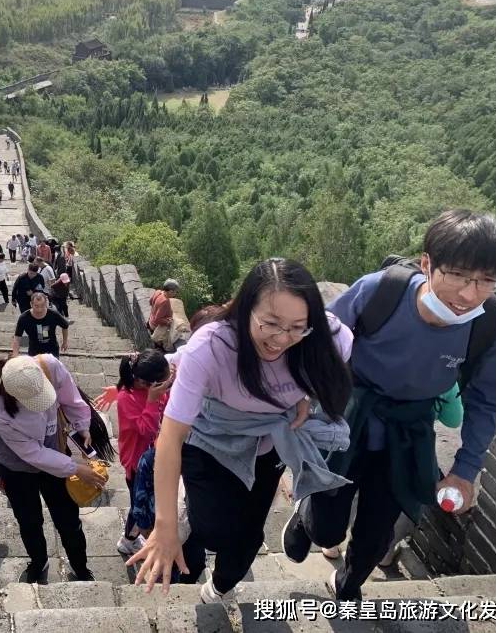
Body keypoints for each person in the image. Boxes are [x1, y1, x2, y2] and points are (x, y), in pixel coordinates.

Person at [281, 209, 496, 602]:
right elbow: (320, 346)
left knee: (377, 534)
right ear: (428, 264)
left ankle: (349, 583)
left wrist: (465, 469)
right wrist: (303, 396)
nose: (470, 294)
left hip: (407, 431)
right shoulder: (380, 292)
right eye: (457, 275)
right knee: (327, 528)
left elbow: (488, 401)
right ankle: (307, 522)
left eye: (487, 281)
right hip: (348, 416)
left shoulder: (492, 326)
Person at [130, 258, 353, 604]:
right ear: (247, 307)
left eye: (297, 327)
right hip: (210, 438)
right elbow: (170, 437)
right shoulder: (212, 348)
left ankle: (219, 587)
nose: (282, 339)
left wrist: (307, 396)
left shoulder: (330, 338)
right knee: (213, 530)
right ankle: (194, 500)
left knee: (248, 536)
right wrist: (166, 525)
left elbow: (329, 368)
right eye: (271, 324)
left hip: (268, 444)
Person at [0, 355, 109, 583]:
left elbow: (72, 399)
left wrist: (82, 426)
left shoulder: (48, 366)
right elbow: (33, 454)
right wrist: (76, 468)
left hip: (56, 452)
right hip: (17, 468)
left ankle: (80, 566)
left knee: (68, 520)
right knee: (28, 520)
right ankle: (38, 561)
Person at [115, 350, 172, 556]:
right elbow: (146, 429)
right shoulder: (126, 398)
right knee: (138, 505)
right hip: (136, 463)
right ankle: (128, 540)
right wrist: (152, 400)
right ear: (144, 382)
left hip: (154, 456)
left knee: (149, 500)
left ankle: (135, 534)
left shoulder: (154, 389)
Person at [12, 290, 70, 358]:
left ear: (46, 303)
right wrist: (15, 355)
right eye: (36, 306)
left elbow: (65, 326)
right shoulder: (24, 318)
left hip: (52, 352)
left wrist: (65, 342)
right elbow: (17, 338)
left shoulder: (53, 314)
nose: (39, 309)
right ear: (31, 304)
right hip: (34, 353)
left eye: (42, 305)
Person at [148, 279, 180, 350]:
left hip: (150, 321)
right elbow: (158, 319)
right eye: (176, 292)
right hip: (156, 327)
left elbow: (150, 302)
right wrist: (168, 322)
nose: (176, 294)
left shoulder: (158, 292)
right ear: (171, 291)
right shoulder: (165, 301)